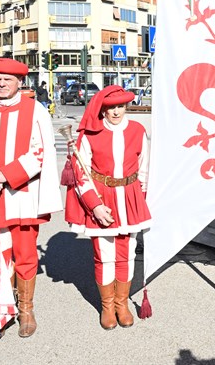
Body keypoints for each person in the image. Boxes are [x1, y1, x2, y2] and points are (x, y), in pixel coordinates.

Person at [0, 58, 62, 342]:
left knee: (26, 254)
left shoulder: (35, 110)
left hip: (22, 195)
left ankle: (26, 310)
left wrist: (3, 175)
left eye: (8, 79)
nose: (2, 84)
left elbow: (41, 151)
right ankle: (1, 308)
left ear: (20, 82)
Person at [64, 85, 151, 330]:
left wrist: (139, 200)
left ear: (126, 106)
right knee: (105, 257)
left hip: (130, 198)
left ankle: (121, 304)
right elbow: (80, 173)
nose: (116, 112)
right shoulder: (90, 133)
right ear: (103, 108)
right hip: (102, 198)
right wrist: (95, 206)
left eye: (120, 106)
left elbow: (144, 167)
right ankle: (107, 306)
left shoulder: (137, 130)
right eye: (111, 107)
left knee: (127, 254)